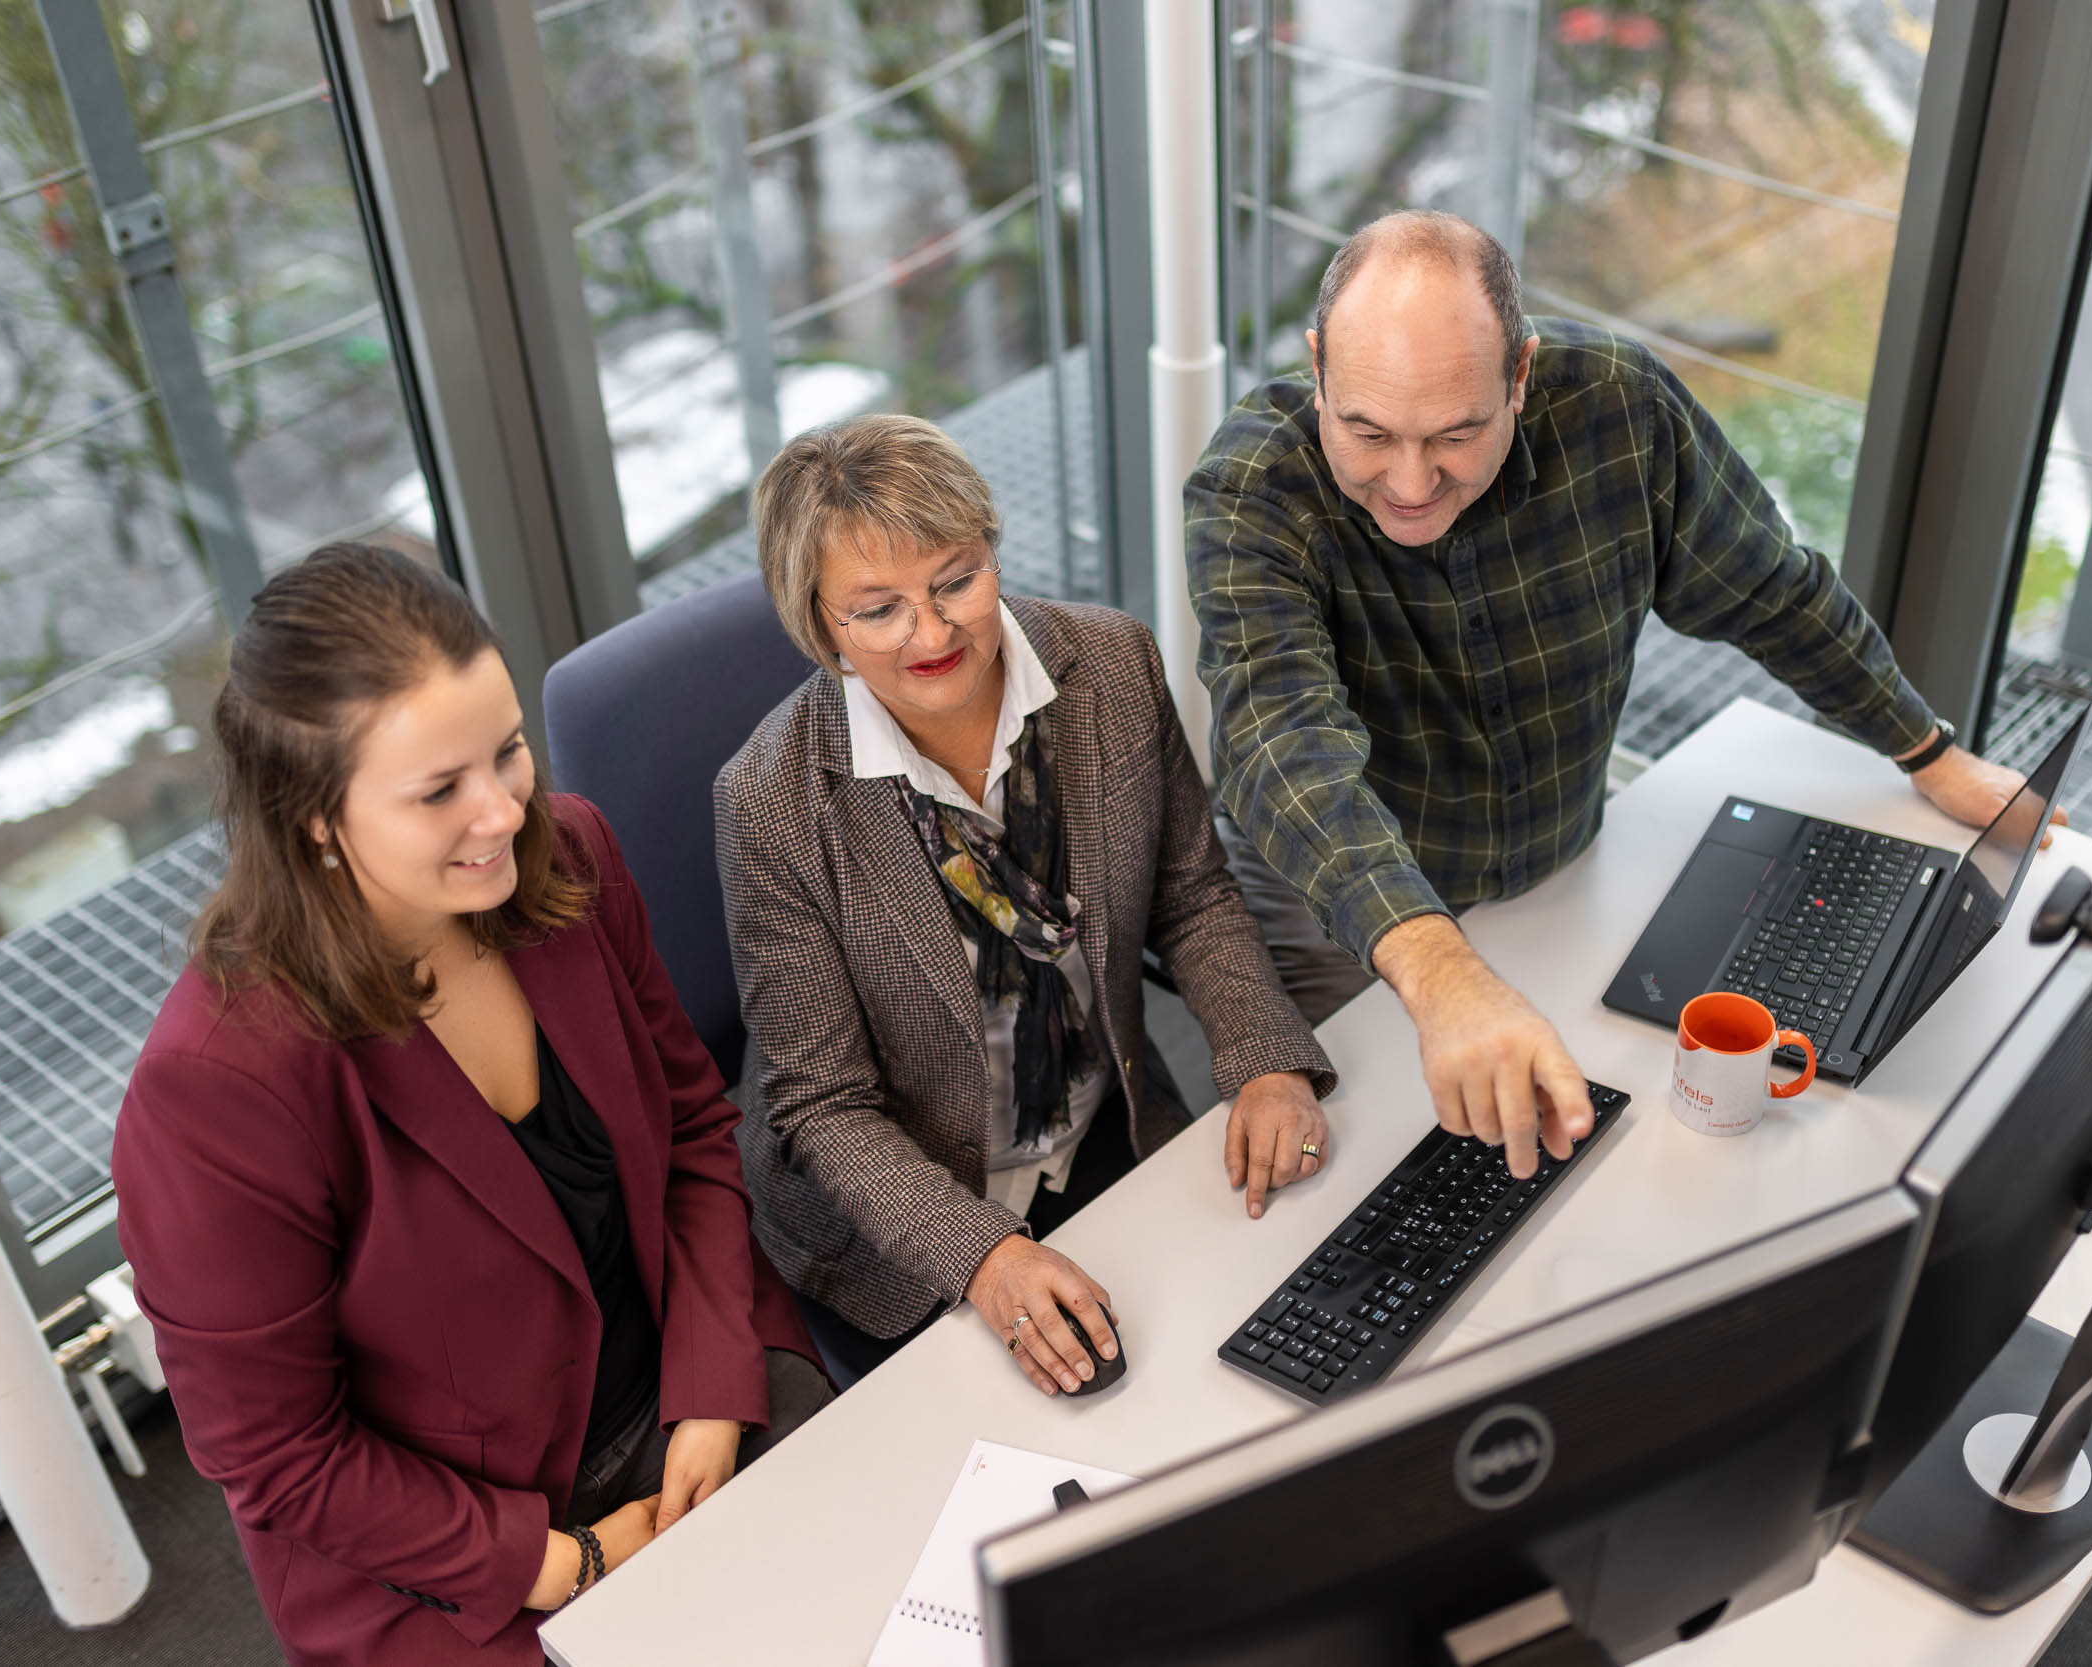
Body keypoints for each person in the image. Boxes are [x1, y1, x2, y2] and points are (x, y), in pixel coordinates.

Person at [1186, 209, 2061, 1182]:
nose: (1409, 481)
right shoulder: (1252, 487)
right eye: (1367, 431)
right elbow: (1282, 742)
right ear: (1317, 368)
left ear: (1518, 374)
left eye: (1456, 434)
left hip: (1559, 870)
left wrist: (1927, 753)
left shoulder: (1619, 408)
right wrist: (1442, 972)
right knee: (1392, 1177)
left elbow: (1769, 589)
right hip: (1338, 914)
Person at [112, 545, 828, 1666]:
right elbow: (281, 1456)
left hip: (676, 1383)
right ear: (312, 817)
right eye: (439, 790)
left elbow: (692, 1129)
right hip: (459, 1555)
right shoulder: (216, 1086)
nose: (500, 811)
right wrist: (566, 1561)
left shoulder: (573, 856)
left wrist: (708, 1387)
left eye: (506, 752)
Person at [716, 414, 1335, 1399]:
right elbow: (820, 1103)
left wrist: (1265, 1056)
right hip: (905, 1227)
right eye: (877, 609)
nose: (932, 633)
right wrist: (980, 1255)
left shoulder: (1115, 665)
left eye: (955, 579)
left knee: (1244, 1370)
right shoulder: (770, 801)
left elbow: (1189, 892)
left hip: (1103, 1129)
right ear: (819, 626)